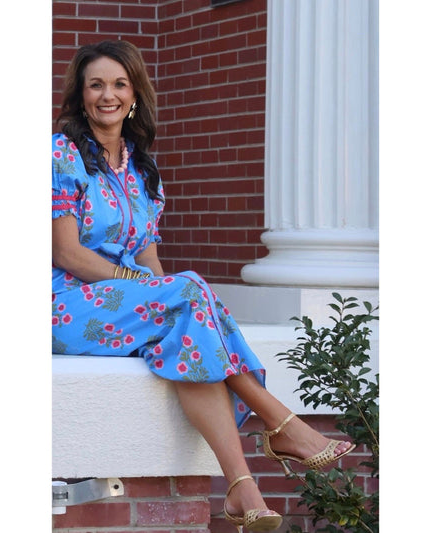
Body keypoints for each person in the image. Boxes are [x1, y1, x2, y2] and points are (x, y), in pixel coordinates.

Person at [52, 40, 354, 532]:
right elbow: (65, 253)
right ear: (80, 95)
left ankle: (242, 489)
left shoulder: (143, 171)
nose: (107, 95)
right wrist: (149, 287)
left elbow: (150, 259)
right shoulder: (62, 154)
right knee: (190, 291)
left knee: (191, 328)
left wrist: (160, 292)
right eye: (96, 85)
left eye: (119, 84)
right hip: (67, 305)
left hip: (125, 304)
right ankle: (280, 422)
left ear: (134, 96)